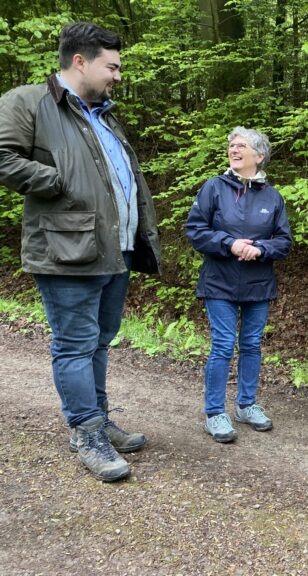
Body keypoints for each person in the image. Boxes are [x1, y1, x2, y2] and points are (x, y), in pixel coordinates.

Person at [0, 23, 161, 482]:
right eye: (112, 66)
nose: (117, 75)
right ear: (80, 61)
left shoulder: (104, 115)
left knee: (99, 339)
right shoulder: (30, 101)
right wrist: (56, 181)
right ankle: (85, 431)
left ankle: (98, 418)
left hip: (115, 249)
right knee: (74, 343)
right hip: (67, 248)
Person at [186, 127, 292, 443]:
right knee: (222, 344)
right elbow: (196, 230)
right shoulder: (213, 188)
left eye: (241, 145)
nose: (234, 149)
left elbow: (284, 241)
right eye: (232, 145)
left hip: (258, 283)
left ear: (259, 156)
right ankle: (215, 412)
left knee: (251, 344)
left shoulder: (273, 196)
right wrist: (229, 243)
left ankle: (246, 405)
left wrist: (260, 249)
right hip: (219, 281)